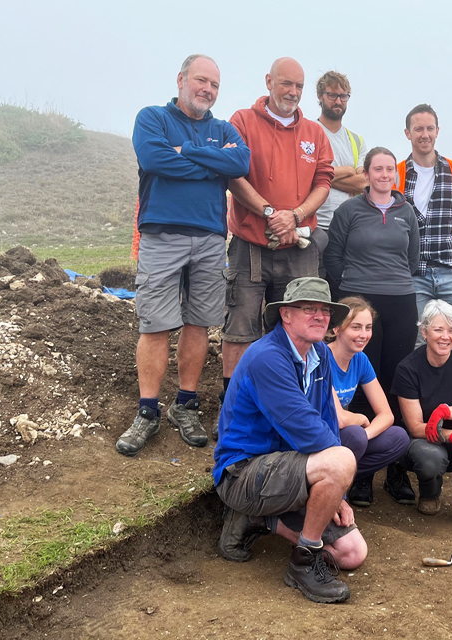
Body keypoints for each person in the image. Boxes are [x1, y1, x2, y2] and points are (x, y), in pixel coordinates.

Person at [118, 54, 250, 457]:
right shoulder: (152, 118)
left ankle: (185, 404)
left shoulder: (224, 128)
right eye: (201, 80)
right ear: (181, 79)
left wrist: (186, 152)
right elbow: (155, 159)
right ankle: (147, 411)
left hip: (211, 239)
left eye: (214, 85)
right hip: (162, 235)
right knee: (156, 324)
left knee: (199, 322)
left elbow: (241, 161)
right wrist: (211, 163)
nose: (207, 89)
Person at [214, 277, 366, 604]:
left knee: (353, 553)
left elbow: (327, 420)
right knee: (341, 460)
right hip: (243, 472)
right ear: (285, 314)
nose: (320, 316)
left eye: (325, 310)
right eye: (308, 309)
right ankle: (303, 562)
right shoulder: (266, 357)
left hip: (291, 470)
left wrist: (336, 490)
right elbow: (306, 428)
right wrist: (336, 479)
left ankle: (259, 519)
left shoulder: (321, 354)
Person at [220, 57, 334, 423]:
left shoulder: (315, 133)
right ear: (269, 81)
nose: (293, 92)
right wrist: (271, 213)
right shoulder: (241, 122)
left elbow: (324, 182)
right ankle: (234, 410)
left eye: (299, 87)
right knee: (241, 327)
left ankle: (290, 407)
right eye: (286, 84)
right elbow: (232, 175)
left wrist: (295, 216)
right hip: (250, 246)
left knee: (296, 326)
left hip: (299, 248)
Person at [325, 146, 421, 506]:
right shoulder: (349, 210)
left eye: (389, 170)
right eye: (377, 169)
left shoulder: (406, 212)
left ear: (396, 175)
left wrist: (392, 281)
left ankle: (395, 470)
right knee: (367, 376)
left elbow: (411, 259)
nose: (384, 175)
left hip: (400, 299)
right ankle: (361, 474)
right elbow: (333, 255)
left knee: (396, 378)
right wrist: (350, 288)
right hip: (359, 299)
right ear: (366, 174)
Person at [392, 300, 452, 533]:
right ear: (424, 331)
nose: (445, 337)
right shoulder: (407, 369)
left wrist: (446, 411)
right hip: (426, 441)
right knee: (430, 459)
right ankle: (430, 492)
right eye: (438, 329)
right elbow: (416, 427)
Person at [395, 104, 452, 348]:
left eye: (429, 128)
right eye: (418, 129)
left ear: (437, 131)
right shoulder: (398, 173)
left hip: (450, 269)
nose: (425, 134)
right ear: (407, 133)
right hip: (414, 273)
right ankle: (423, 388)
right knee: (420, 343)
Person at [329, 296, 411, 507]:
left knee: (399, 437)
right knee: (354, 434)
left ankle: (340, 479)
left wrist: (366, 434)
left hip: (346, 438)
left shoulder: (360, 360)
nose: (363, 335)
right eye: (355, 327)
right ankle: (332, 493)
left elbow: (387, 415)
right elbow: (338, 419)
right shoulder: (322, 358)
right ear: (337, 329)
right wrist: (362, 419)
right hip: (319, 437)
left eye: (368, 327)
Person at [313, 71, 367, 296]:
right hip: (314, 227)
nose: (338, 101)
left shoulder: (355, 141)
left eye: (343, 96)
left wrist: (323, 173)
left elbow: (364, 183)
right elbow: (306, 174)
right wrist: (346, 170)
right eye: (332, 95)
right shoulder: (308, 132)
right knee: (314, 296)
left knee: (343, 298)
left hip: (345, 230)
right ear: (320, 96)